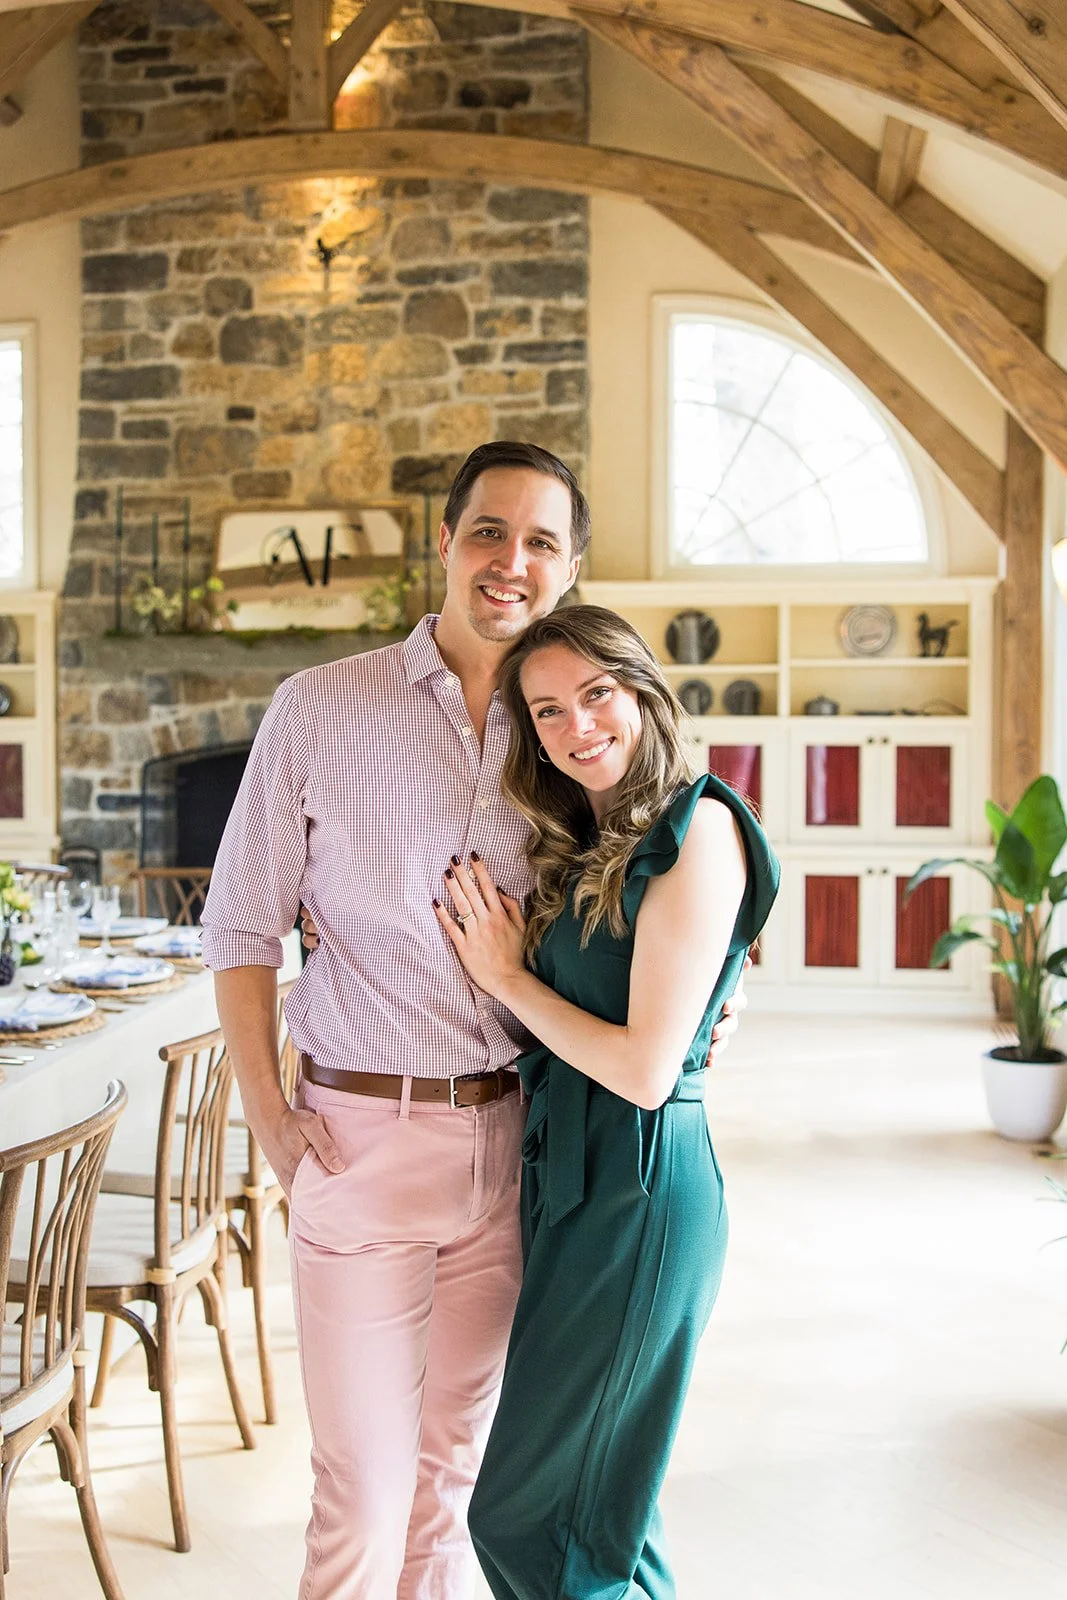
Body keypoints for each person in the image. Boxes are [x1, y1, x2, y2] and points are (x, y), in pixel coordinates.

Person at [200, 441, 746, 1600]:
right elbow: (241, 928)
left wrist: (714, 997)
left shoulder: (566, 742)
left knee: (455, 1481)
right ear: (442, 544)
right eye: (488, 532)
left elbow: (657, 895)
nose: (511, 561)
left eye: (541, 541)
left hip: (518, 1151)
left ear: (570, 567)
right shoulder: (317, 708)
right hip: (358, 1138)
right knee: (360, 1492)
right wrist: (269, 1118)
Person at [429, 605, 780, 1600]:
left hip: (638, 1192)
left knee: (528, 1520)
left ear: (640, 691)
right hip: (574, 1185)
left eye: (595, 694)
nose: (575, 725)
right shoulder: (589, 839)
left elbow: (643, 1070)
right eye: (545, 711)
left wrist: (506, 976)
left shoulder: (696, 826)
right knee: (604, 1516)